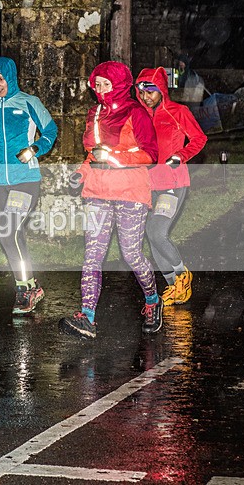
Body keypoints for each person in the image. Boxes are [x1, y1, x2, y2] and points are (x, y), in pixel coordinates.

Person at [60, 61, 160, 339]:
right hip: (97, 192)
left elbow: (151, 154)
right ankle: (87, 317)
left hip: (130, 192)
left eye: (107, 85)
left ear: (120, 85)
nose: (101, 91)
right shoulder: (95, 114)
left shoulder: (136, 112)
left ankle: (152, 300)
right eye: (98, 85)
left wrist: (115, 158)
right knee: (92, 256)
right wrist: (81, 173)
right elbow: (94, 155)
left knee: (131, 254)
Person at [0, 56, 58, 314]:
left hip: (25, 179)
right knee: (14, 235)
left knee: (8, 232)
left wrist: (35, 149)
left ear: (11, 78)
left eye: (1, 79)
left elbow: (50, 131)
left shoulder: (29, 102)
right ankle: (32, 283)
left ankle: (24, 288)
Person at [136, 67, 207, 307]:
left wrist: (181, 155)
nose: (146, 97)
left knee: (157, 231)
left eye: (151, 92)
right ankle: (173, 286)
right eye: (142, 91)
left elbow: (199, 139)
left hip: (172, 183)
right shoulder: (138, 115)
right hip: (147, 185)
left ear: (161, 91)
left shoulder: (178, 111)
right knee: (150, 234)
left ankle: (183, 276)